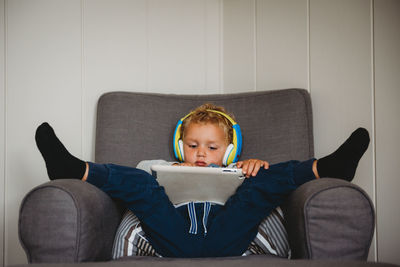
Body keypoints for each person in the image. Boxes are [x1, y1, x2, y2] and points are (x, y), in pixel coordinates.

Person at [34, 103, 370, 258]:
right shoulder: (161, 165)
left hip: (228, 236)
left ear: (228, 149)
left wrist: (252, 168)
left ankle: (327, 168)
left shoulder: (239, 168)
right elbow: (139, 190)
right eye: (193, 145)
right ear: (181, 146)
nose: (200, 153)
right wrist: (155, 174)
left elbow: (256, 198)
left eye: (211, 147)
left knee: (263, 180)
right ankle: (75, 169)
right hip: (174, 236)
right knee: (140, 181)